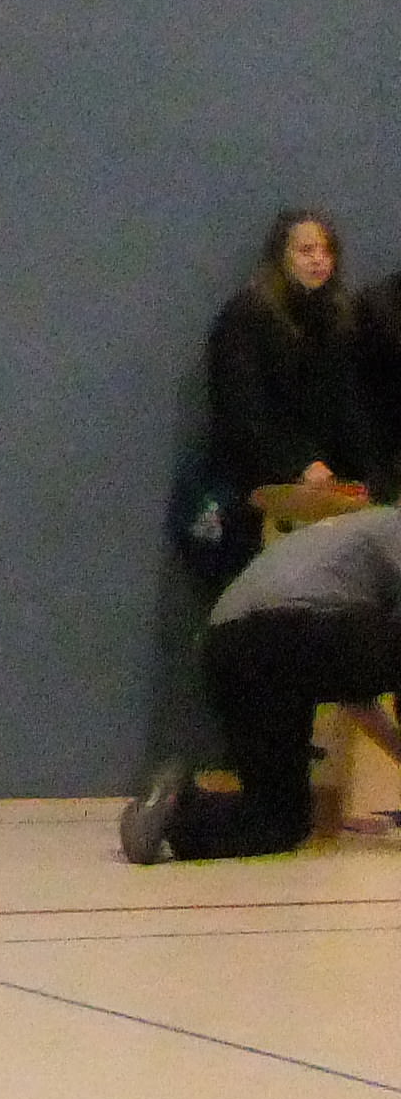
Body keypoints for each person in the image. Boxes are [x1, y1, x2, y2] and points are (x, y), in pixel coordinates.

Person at [122, 501, 401, 863]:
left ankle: (174, 813)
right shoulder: (393, 529)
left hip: (227, 648)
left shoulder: (351, 531)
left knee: (280, 820)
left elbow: (353, 683)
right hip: (288, 629)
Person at [192, 212, 370, 589]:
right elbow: (242, 412)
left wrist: (371, 479)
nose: (318, 260)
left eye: (326, 251)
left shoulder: (336, 321)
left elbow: (346, 410)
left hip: (321, 490)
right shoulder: (245, 318)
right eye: (306, 250)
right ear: (281, 257)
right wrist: (300, 464)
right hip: (254, 489)